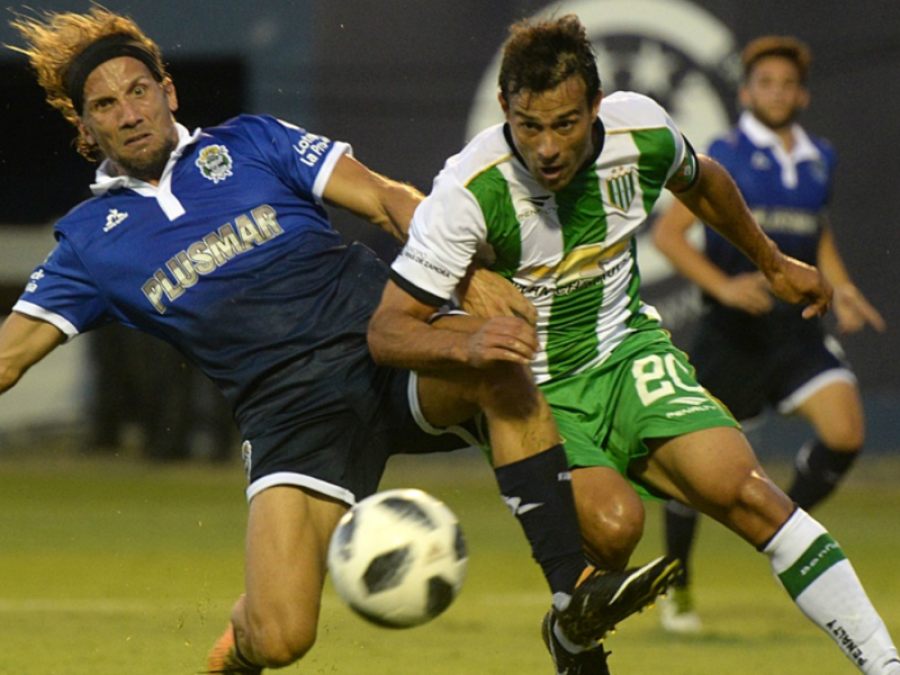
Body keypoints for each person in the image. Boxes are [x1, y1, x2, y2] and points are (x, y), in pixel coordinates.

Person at [0, 7, 675, 675]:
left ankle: (571, 593)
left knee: (497, 365)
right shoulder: (88, 242)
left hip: (388, 350)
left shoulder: (252, 142)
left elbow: (387, 199)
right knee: (282, 634)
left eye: (139, 90)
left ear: (167, 91)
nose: (128, 112)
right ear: (85, 128)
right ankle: (239, 645)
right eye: (106, 104)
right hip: (291, 417)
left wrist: (467, 278)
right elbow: (7, 357)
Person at [367, 15, 900, 675]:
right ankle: (572, 634)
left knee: (751, 494)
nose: (548, 148)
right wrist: (475, 342)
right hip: (535, 392)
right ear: (504, 107)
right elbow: (388, 330)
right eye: (529, 126)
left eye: (566, 123)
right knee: (617, 527)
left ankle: (884, 664)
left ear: (595, 104)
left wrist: (770, 262)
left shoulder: (637, 128)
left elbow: (702, 180)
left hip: (626, 351)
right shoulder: (468, 191)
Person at [651, 35, 886, 634]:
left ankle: (785, 530)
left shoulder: (819, 157)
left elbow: (816, 232)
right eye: (765, 83)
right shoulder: (721, 156)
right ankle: (676, 583)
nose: (776, 93)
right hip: (730, 334)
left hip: (794, 331)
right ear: (745, 92)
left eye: (786, 84)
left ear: (801, 94)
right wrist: (725, 288)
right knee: (690, 473)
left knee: (846, 432)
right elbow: (669, 237)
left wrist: (844, 286)